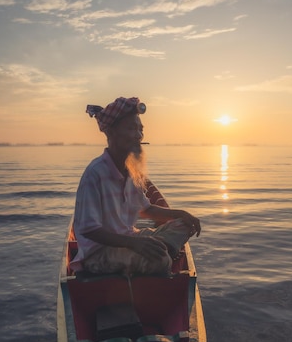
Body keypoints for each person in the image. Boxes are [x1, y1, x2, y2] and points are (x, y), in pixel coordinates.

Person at [71, 96, 201, 276]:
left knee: (184, 225)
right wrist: (134, 244)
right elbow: (89, 230)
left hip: (130, 239)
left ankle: (159, 252)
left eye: (140, 129)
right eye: (131, 128)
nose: (138, 135)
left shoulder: (131, 172)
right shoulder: (95, 174)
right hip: (100, 253)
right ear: (111, 133)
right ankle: (160, 256)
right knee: (160, 259)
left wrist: (180, 214)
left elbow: (145, 209)